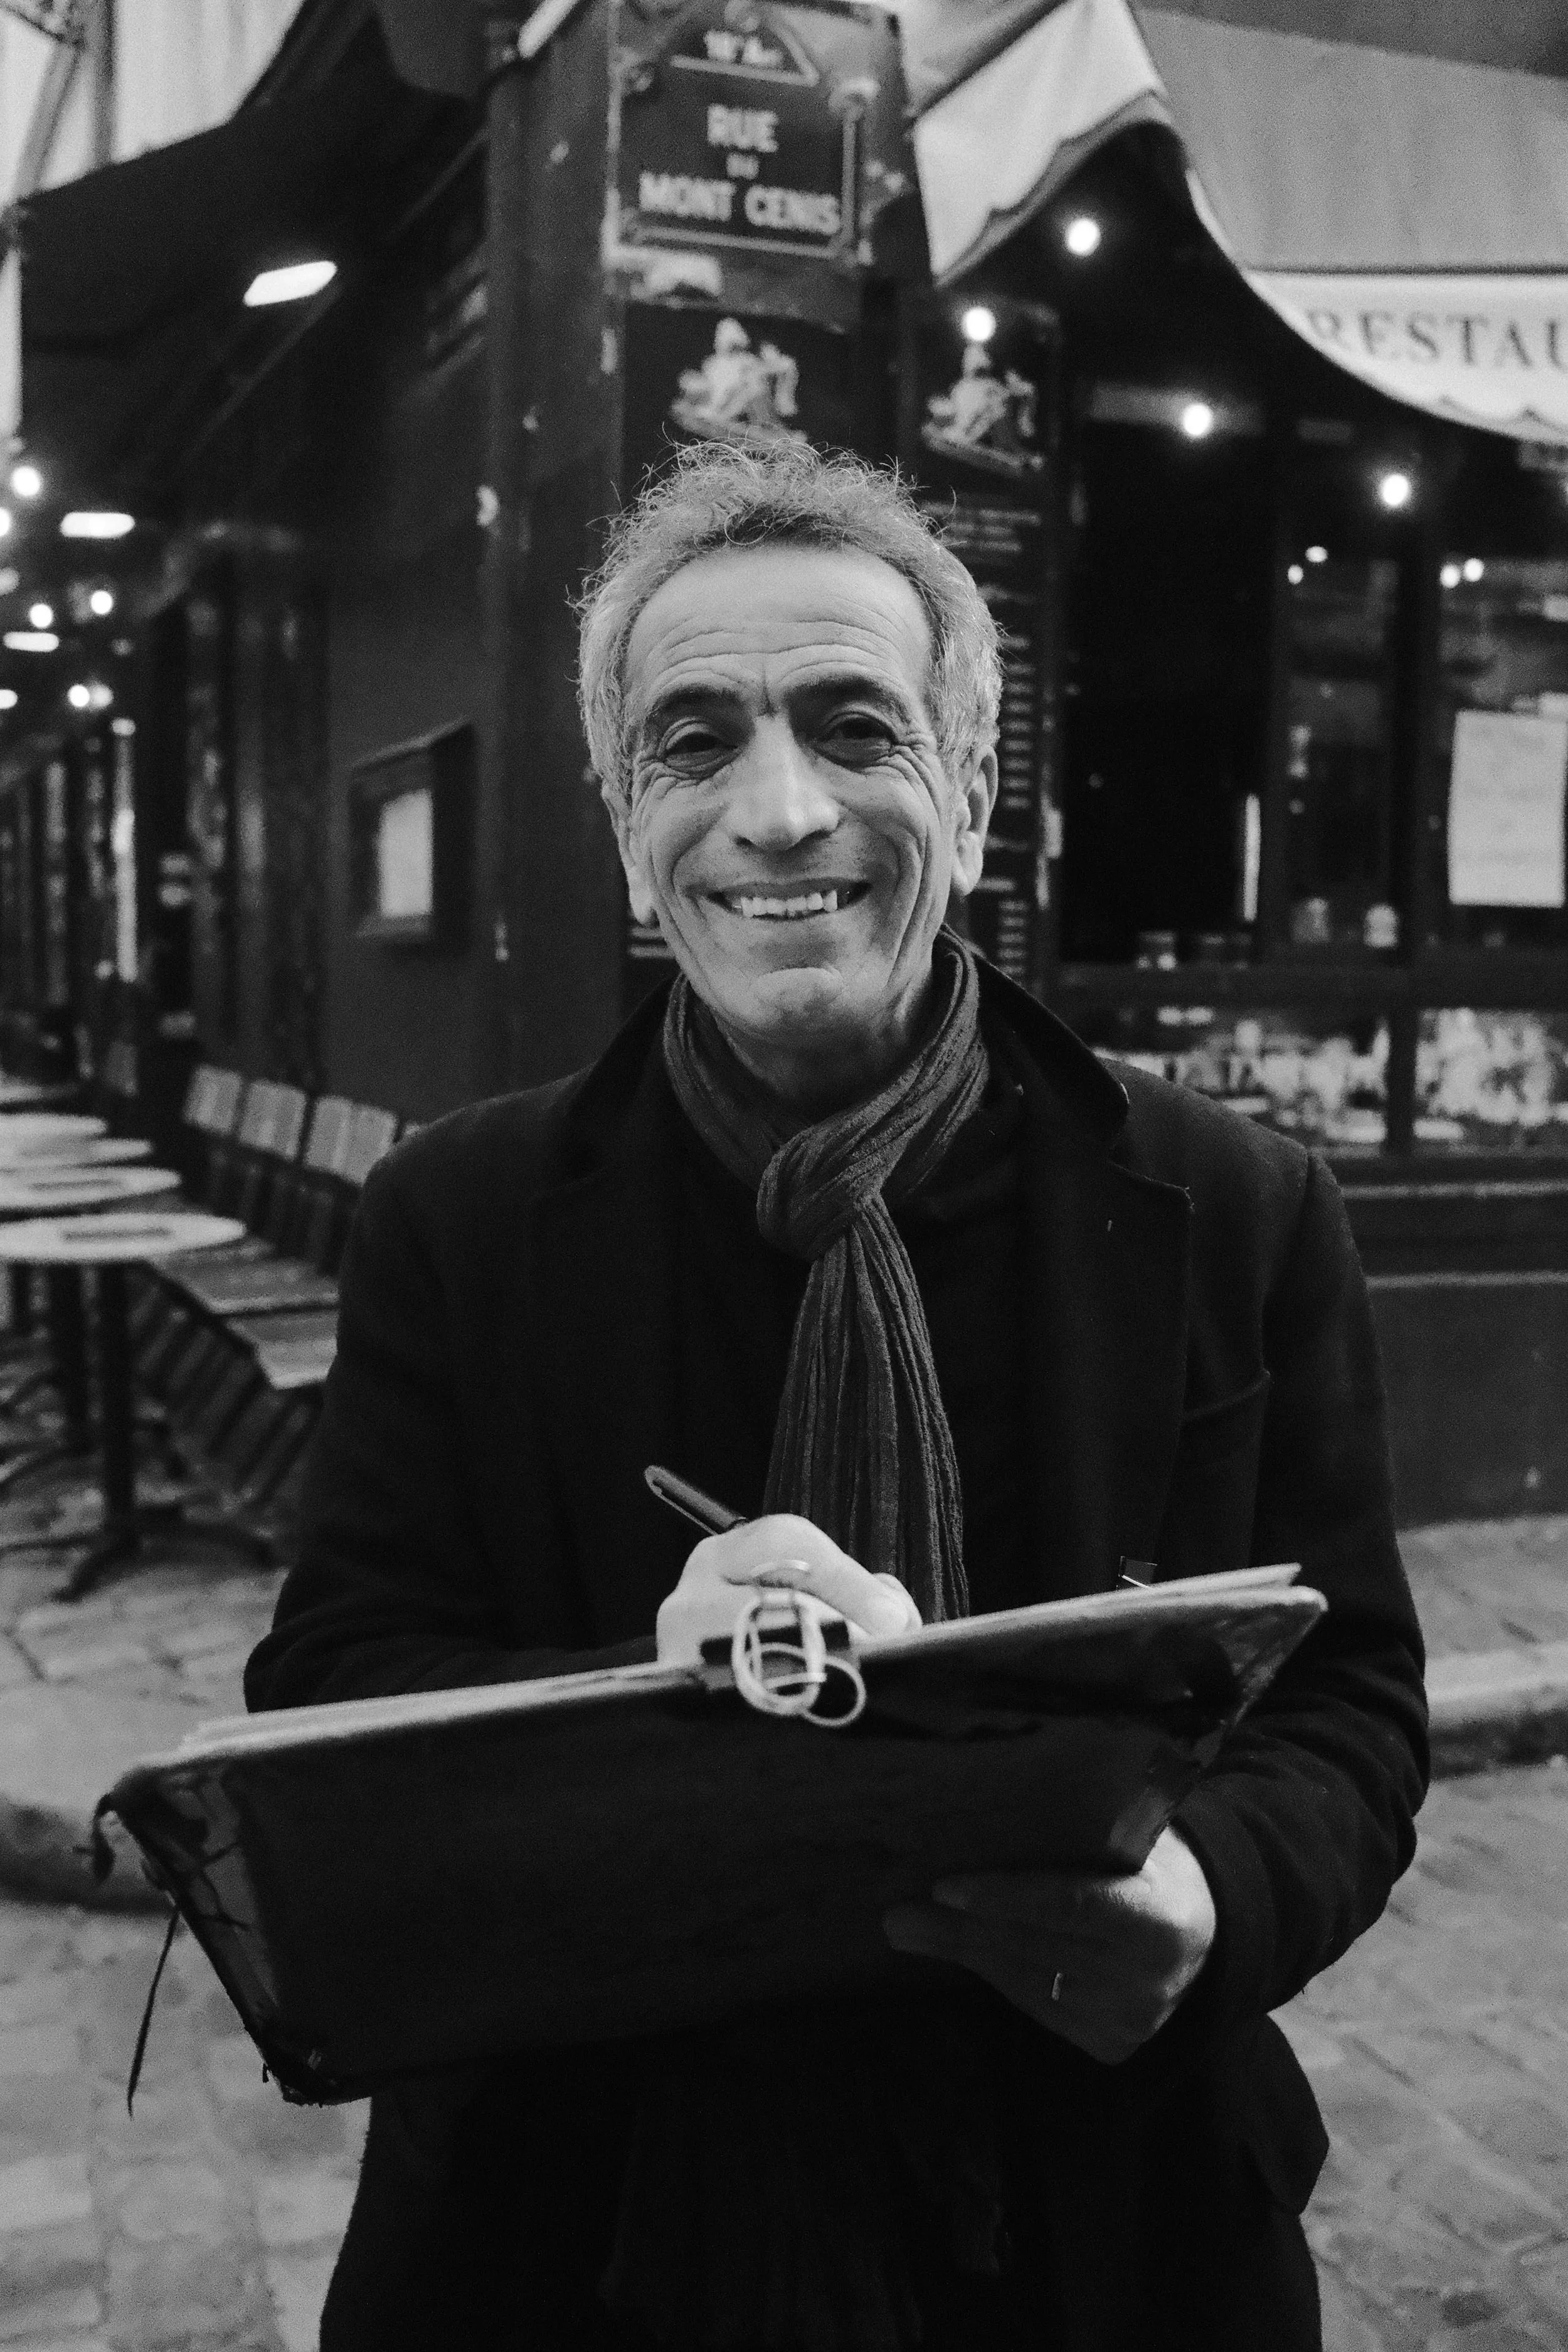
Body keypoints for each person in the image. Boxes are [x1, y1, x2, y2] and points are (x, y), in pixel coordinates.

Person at [245, 442, 1427, 2351]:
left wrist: (1202, 1894)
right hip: (580, 2229)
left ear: (965, 789)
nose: (774, 812)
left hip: (1097, 2224)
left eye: (851, 728)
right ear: (629, 822)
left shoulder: (1231, 1207)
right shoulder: (457, 1223)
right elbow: (328, 1693)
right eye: (692, 741)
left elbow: (1351, 1696)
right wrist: (632, 1696)